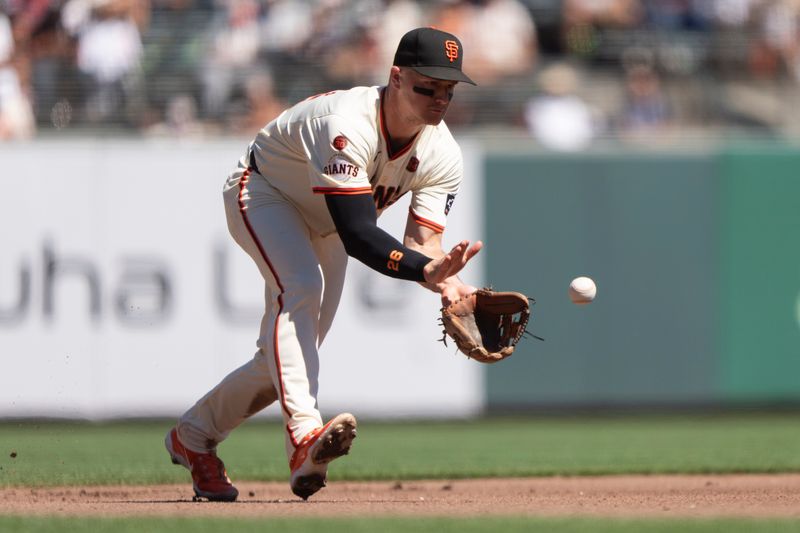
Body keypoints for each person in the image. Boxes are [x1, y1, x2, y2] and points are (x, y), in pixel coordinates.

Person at [165, 27, 483, 502]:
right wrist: (421, 271)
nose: (440, 99)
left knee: (291, 353)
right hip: (266, 192)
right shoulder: (346, 122)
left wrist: (450, 283)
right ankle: (304, 440)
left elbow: (424, 244)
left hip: (330, 221)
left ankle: (193, 436)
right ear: (396, 77)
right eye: (428, 87)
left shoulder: (442, 152)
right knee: (301, 290)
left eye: (449, 90)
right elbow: (359, 236)